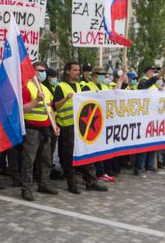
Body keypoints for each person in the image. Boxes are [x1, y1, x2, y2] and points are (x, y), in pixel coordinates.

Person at [54, 62, 107, 194]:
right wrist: (66, 98)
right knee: (69, 157)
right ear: (67, 71)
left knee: (87, 153)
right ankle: (72, 184)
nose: (78, 72)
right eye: (75, 70)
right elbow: (56, 106)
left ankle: (91, 181)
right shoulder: (61, 87)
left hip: (81, 126)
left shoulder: (79, 86)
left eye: (78, 70)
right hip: (67, 127)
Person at [20, 61, 58, 201]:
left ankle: (44, 183)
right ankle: (26, 188)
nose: (43, 73)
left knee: (46, 159)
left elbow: (50, 109)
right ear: (32, 72)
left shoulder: (46, 89)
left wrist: (54, 125)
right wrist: (36, 100)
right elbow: (23, 109)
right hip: (31, 129)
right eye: (40, 70)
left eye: (44, 71)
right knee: (29, 160)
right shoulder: (26, 88)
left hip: (46, 129)